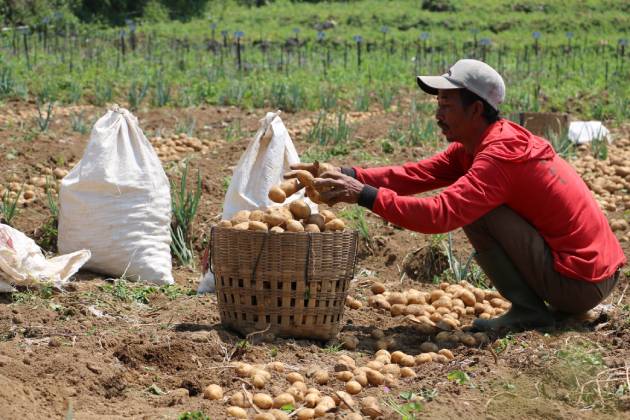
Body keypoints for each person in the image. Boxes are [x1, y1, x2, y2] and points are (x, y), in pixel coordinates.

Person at [289, 59, 626, 332]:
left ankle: (528, 311)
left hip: (580, 283)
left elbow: (440, 214)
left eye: (446, 105)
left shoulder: (499, 156)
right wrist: (349, 175)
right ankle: (531, 307)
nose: (438, 114)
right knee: (480, 204)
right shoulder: (480, 143)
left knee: (479, 210)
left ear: (476, 109)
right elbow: (417, 174)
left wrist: (363, 195)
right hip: (592, 273)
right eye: (438, 104)